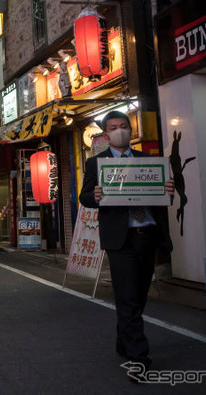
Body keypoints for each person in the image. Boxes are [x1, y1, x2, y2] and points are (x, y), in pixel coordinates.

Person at [78, 111, 175, 368]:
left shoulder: (150, 161)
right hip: (120, 238)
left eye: (124, 126)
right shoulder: (96, 164)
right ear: (106, 133)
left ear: (131, 131)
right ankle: (138, 354)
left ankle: (124, 340)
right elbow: (84, 197)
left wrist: (168, 191)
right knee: (128, 294)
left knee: (140, 292)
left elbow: (162, 197)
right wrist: (96, 195)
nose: (119, 130)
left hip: (148, 234)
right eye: (113, 127)